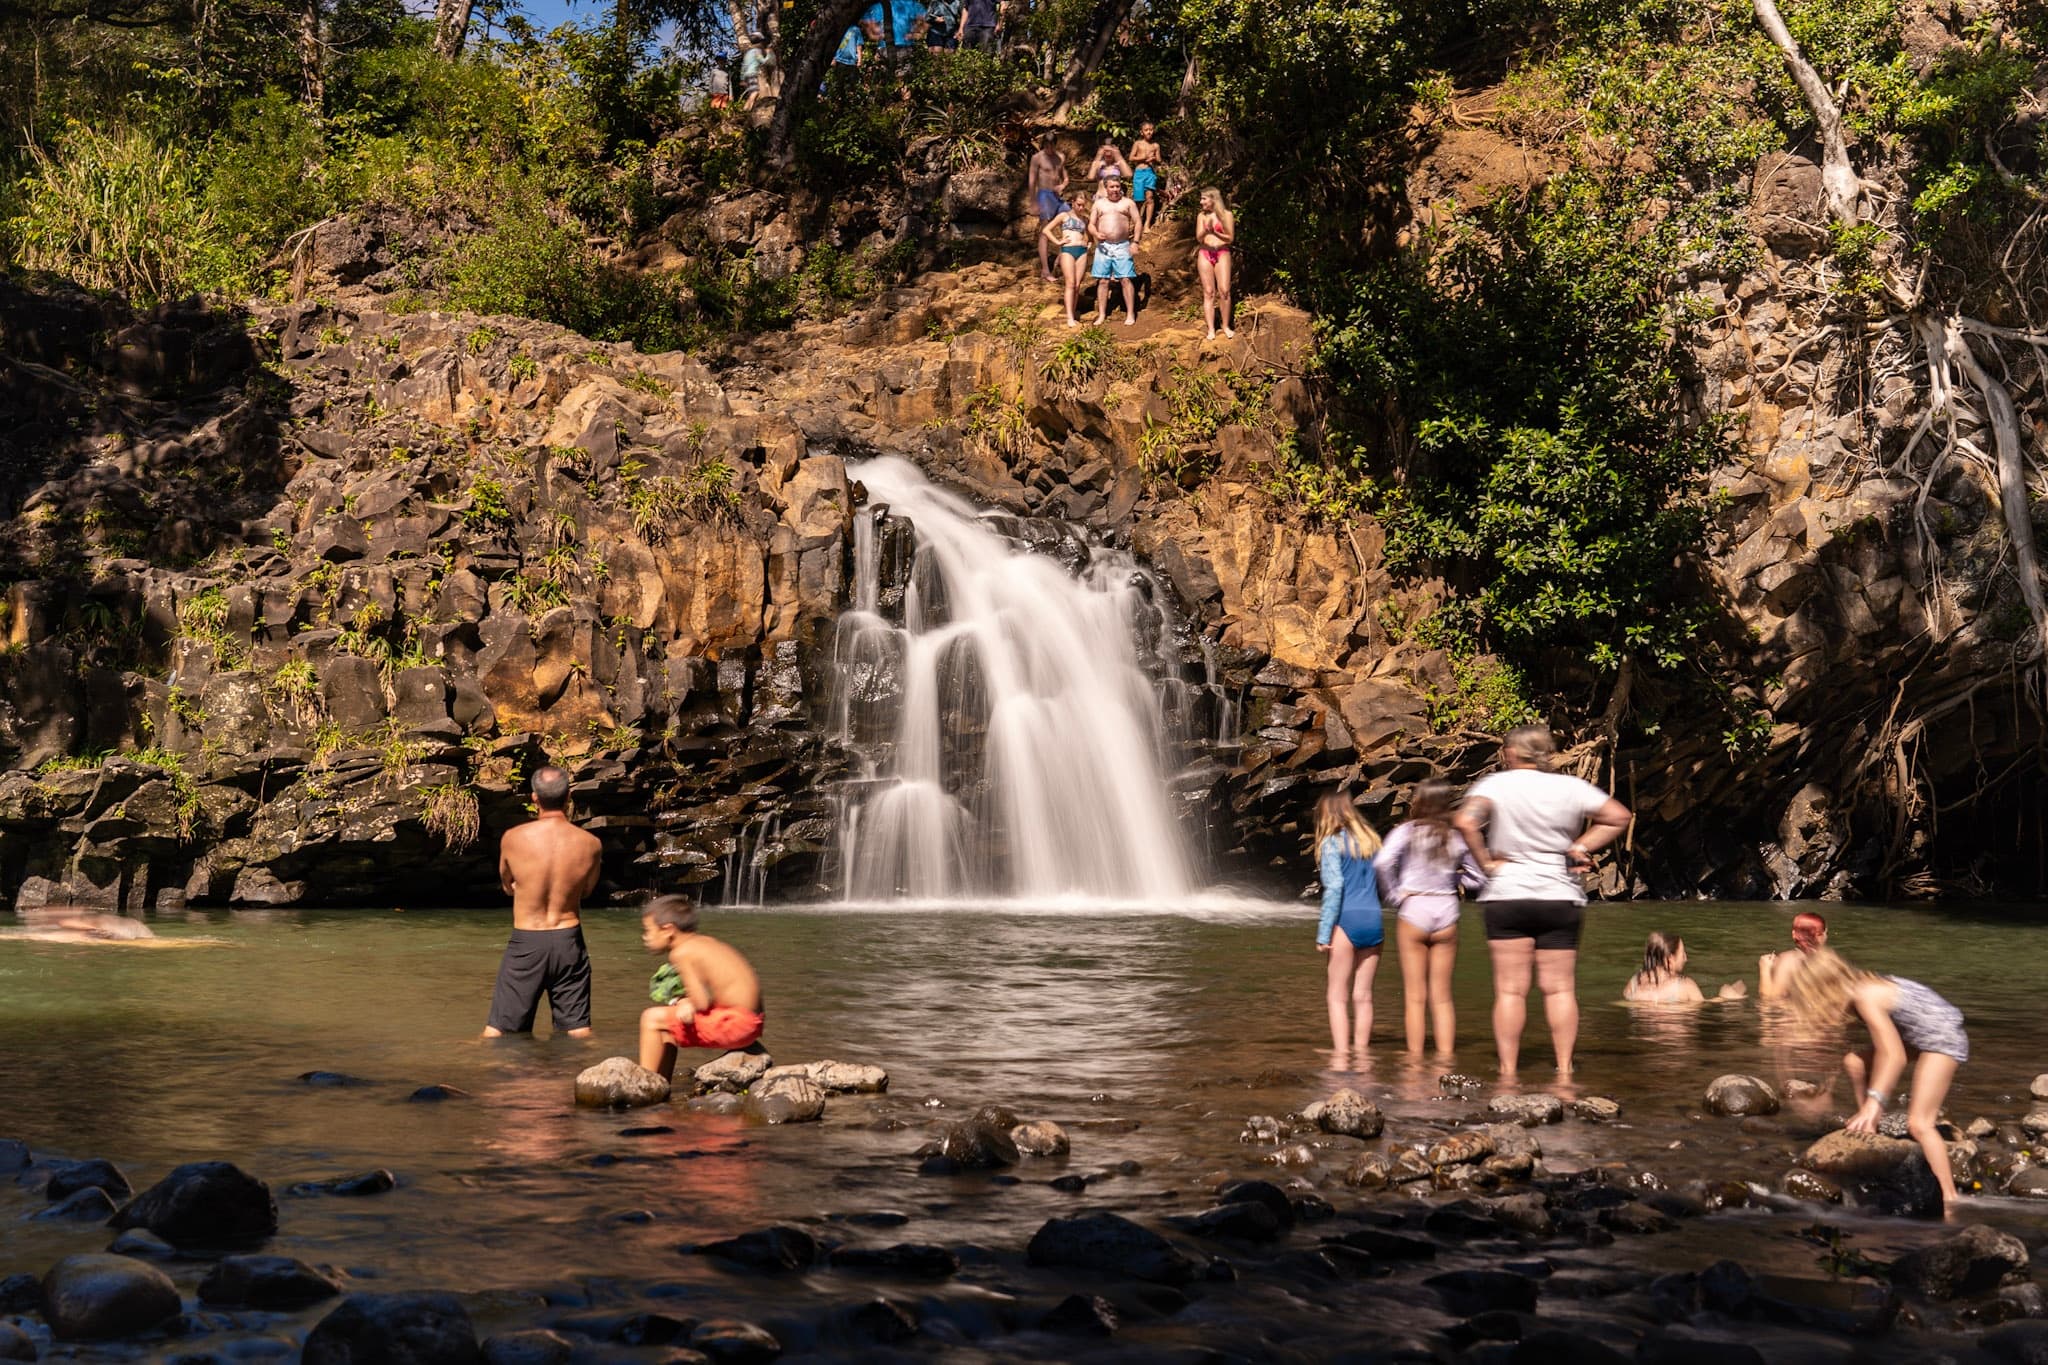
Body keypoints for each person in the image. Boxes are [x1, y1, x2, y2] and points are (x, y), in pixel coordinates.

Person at [1452, 725, 1631, 1079]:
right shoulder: (1569, 786)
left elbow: (1464, 821)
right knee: (1561, 988)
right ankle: (1564, 1071)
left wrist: (1486, 862)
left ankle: (1508, 1073)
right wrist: (1580, 846)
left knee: (1509, 991)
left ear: (1510, 753)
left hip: (1509, 894)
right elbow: (1619, 816)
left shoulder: (1495, 785)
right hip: (1558, 894)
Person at [1784, 948, 1968, 1213]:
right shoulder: (1857, 990)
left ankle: (1948, 1198)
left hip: (1943, 1039)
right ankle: (1870, 1127)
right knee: (1854, 1061)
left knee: (1920, 1124)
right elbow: (1854, 1053)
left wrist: (1875, 1101)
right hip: (1923, 1034)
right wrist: (1826, 1089)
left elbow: (1893, 1056)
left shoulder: (1866, 996)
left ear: (1826, 989)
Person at [484, 766, 601, 1039]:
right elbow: (586, 891)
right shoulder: (591, 843)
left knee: (498, 1031)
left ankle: (485, 1077)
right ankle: (588, 1076)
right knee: (578, 1030)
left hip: (527, 941)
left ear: (534, 797)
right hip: (568, 939)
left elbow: (507, 885)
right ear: (568, 796)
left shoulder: (513, 838)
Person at [1376, 779, 1481, 1057]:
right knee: (1442, 997)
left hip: (1415, 908)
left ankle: (1415, 1061)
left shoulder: (1407, 832)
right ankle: (1445, 1059)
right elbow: (1478, 877)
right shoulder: (1455, 836)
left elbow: (1382, 862)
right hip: (1446, 909)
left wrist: (1395, 895)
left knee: (1414, 997)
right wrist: (1457, 880)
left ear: (1419, 802)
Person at [637, 894, 765, 1082]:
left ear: (668, 930)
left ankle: (642, 1084)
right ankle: (661, 1084)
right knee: (667, 1027)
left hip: (736, 1025)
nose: (645, 937)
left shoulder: (681, 952)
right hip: (752, 1022)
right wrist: (685, 1003)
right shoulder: (706, 942)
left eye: (648, 931)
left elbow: (701, 1002)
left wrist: (686, 1002)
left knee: (651, 1019)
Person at [1314, 791, 1384, 1065]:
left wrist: (1323, 932)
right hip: (1374, 919)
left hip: (1346, 919)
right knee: (1363, 996)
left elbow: (1335, 888)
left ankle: (1342, 1057)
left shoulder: (1332, 844)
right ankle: (1363, 1057)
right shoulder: (1371, 844)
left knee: (1336, 997)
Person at [1623, 932, 1747, 1003]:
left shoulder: (1633, 984)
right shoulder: (1684, 986)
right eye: (1682, 954)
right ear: (1670, 959)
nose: (1686, 958)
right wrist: (1725, 997)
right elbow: (1703, 1006)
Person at [1088, 176, 1142, 326]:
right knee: (1103, 280)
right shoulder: (1099, 204)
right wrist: (1096, 234)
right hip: (1104, 247)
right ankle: (1102, 314)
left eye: (1117, 186)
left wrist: (1135, 242)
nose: (1115, 190)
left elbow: (1138, 222)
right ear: (1106, 188)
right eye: (1112, 187)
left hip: (1123, 245)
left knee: (1125, 279)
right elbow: (1091, 224)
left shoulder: (1127, 203)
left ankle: (1131, 313)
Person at [1040, 192, 1092, 325]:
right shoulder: (1064, 216)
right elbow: (1046, 230)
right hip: (1067, 250)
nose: (1081, 208)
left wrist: (1088, 243)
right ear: (1073, 203)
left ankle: (1073, 313)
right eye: (1079, 205)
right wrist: (1057, 242)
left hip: (1082, 251)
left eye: (1083, 206)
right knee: (1070, 283)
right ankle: (1069, 317)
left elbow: (1089, 236)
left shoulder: (1085, 219)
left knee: (1077, 285)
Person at [1194, 187, 1235, 340]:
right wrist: (1206, 230)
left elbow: (1230, 238)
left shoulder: (1227, 215)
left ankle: (1225, 326)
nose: (1201, 202)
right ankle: (1211, 329)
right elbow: (1198, 238)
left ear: (1213, 199)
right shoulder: (1201, 216)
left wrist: (1215, 232)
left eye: (1204, 198)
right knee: (1209, 292)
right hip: (1205, 252)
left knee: (1224, 290)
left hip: (1222, 252)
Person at [1759, 910, 1828, 999]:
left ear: (1794, 934)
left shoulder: (1790, 960)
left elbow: (1769, 1001)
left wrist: (1764, 969)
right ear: (1822, 935)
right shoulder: (1829, 961)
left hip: (1793, 1012)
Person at [1027, 134, 1068, 282]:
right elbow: (1032, 181)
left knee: (1069, 222)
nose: (1049, 148)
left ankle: (1061, 257)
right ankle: (1045, 270)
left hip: (1057, 196)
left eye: (1052, 145)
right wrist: (1033, 202)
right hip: (1044, 195)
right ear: (1043, 144)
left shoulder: (1060, 157)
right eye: (1047, 145)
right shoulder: (1037, 158)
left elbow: (1066, 177)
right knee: (1045, 230)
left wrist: (1062, 185)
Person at [1129, 121, 1162, 232]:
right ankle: (1137, 223)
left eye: (1151, 130)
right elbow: (1131, 158)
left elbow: (1159, 160)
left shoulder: (1155, 145)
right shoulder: (1138, 144)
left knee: (1150, 197)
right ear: (1141, 132)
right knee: (1138, 200)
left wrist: (1153, 159)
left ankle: (1147, 224)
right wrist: (1142, 157)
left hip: (1150, 173)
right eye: (1146, 130)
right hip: (1139, 173)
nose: (1149, 132)